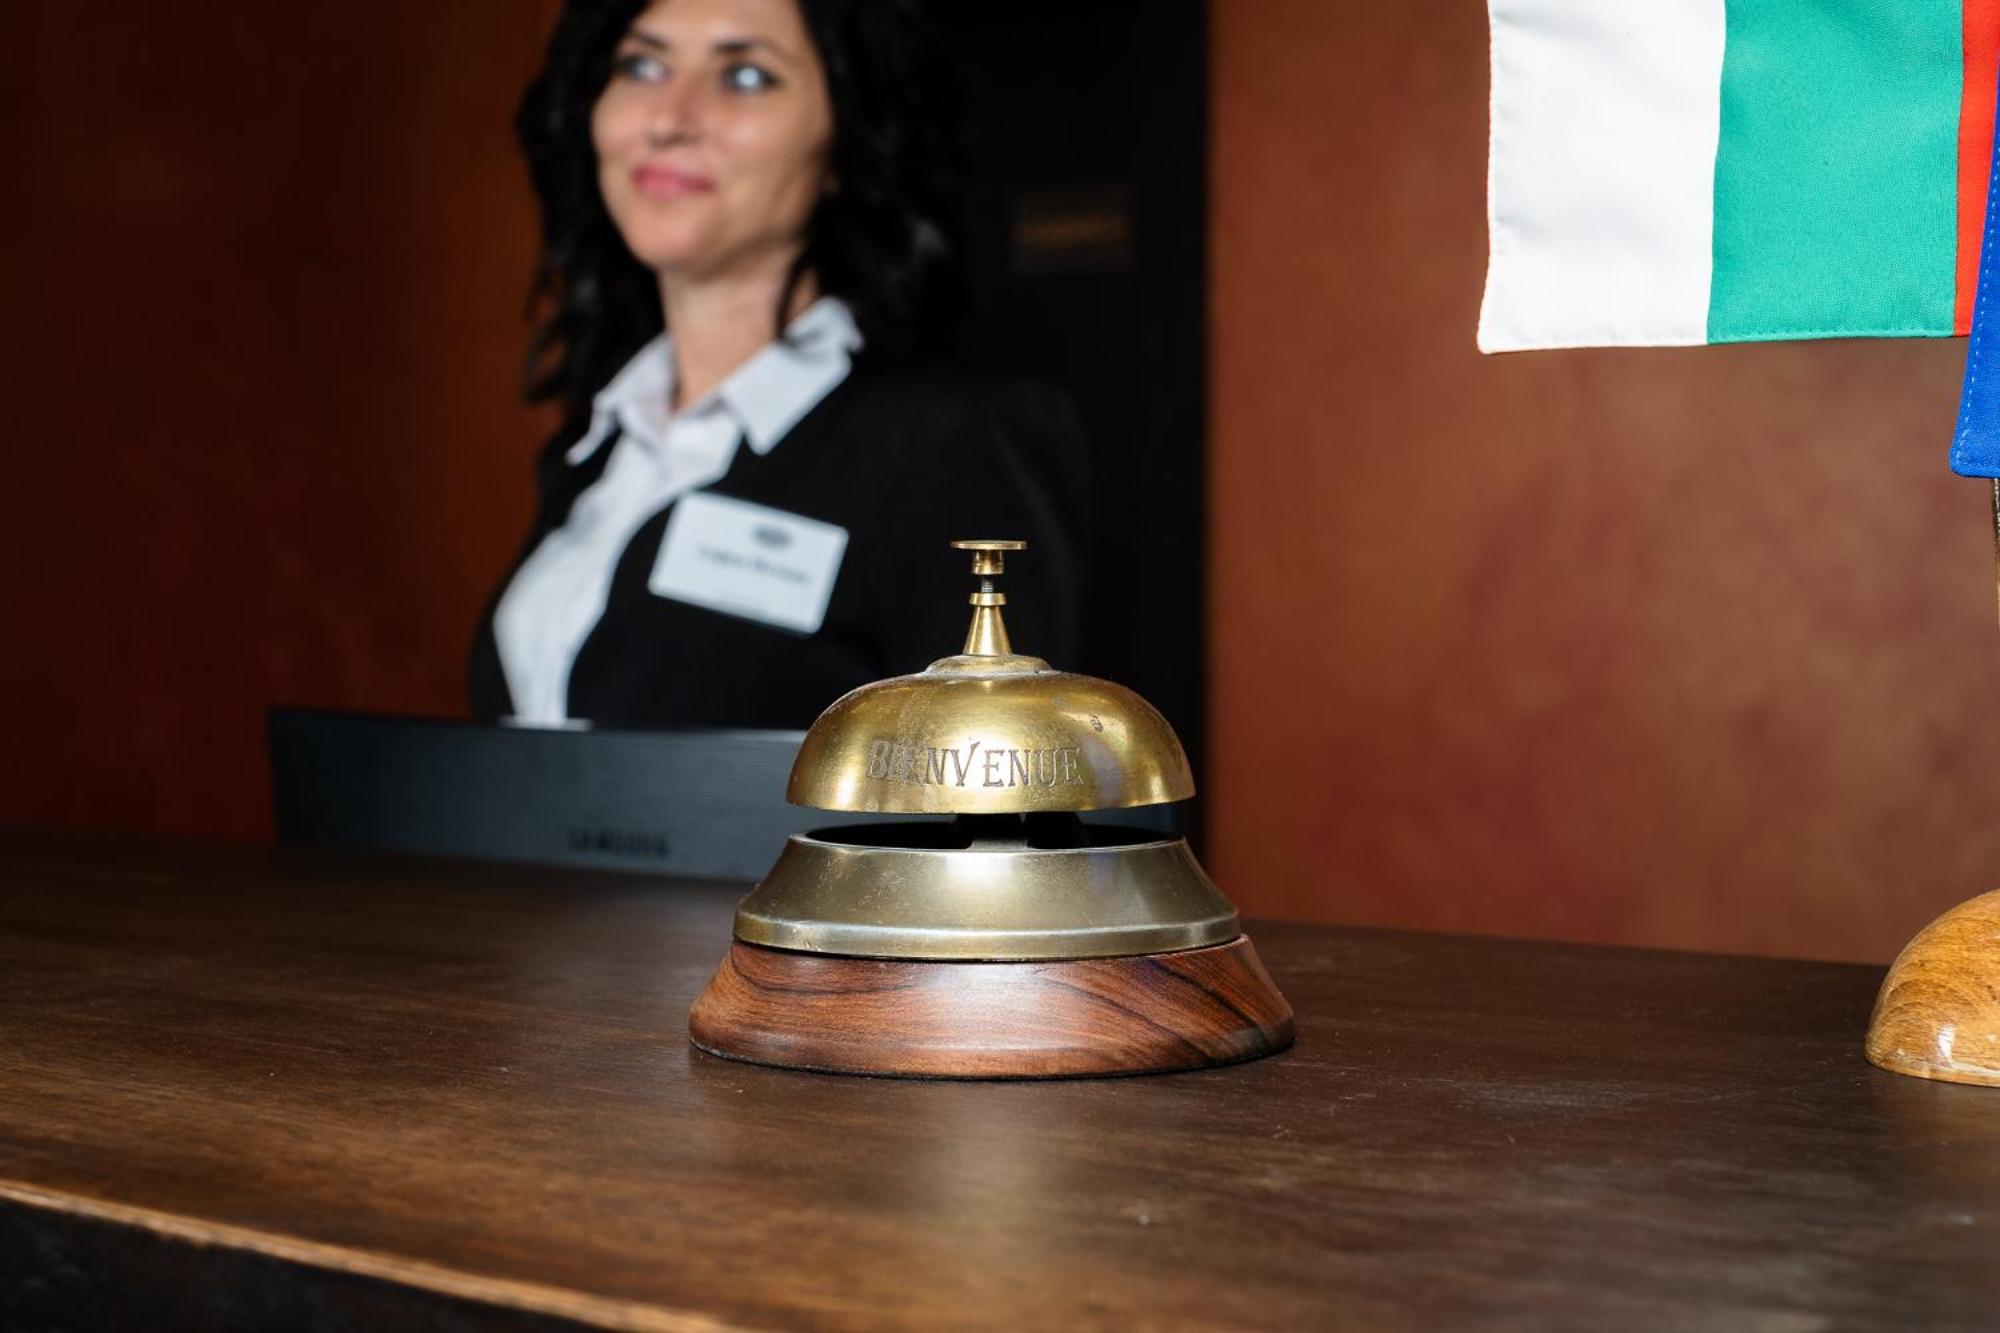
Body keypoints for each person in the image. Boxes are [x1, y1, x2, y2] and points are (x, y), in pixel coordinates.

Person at [471, 0, 1089, 730]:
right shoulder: (602, 443)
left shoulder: (952, 443)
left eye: (745, 76)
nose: (668, 118)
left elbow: (1011, 779)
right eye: (642, 65)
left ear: (845, 142)